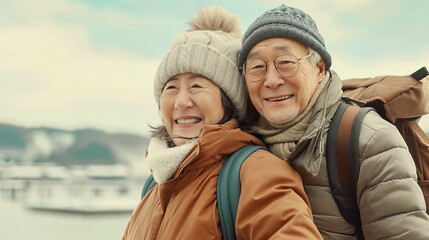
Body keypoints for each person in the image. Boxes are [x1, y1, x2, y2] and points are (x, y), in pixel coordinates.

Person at [122, 6, 323, 240]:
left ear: (230, 102)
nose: (181, 102)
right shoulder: (156, 182)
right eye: (171, 87)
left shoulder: (256, 171)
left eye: (197, 86)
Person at [237, 4, 429, 240]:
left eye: (286, 63)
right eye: (257, 67)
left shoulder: (370, 142)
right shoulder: (241, 142)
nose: (271, 80)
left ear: (319, 69)